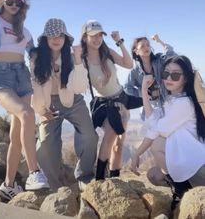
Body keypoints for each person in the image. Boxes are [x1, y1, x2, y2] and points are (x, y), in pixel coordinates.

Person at [0, 0, 49, 200]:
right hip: (0, 76)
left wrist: (50, 49)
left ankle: (9, 185)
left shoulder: (24, 30)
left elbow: (34, 54)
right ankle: (34, 172)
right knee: (27, 114)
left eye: (18, 2)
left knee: (17, 136)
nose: (13, 4)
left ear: (23, 5)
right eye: (9, 0)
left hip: (22, 77)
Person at [30, 18, 98, 191]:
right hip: (48, 103)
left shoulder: (71, 54)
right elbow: (35, 86)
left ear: (65, 38)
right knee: (45, 146)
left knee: (90, 136)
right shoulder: (36, 57)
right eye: (52, 35)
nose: (56, 38)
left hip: (73, 101)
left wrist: (77, 61)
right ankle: (55, 186)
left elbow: (80, 87)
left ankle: (84, 175)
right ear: (45, 38)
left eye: (60, 35)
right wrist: (41, 110)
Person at [131, 55, 205, 210]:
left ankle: (180, 189)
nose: (169, 78)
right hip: (187, 163)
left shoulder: (184, 103)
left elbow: (157, 130)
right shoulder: (172, 100)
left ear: (185, 79)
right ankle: (181, 187)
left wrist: (137, 153)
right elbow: (152, 119)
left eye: (176, 75)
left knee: (157, 143)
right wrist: (144, 90)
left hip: (198, 167)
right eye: (165, 74)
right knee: (153, 175)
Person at [81, 19, 142, 180]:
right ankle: (99, 178)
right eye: (92, 35)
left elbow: (128, 64)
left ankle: (115, 177)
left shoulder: (106, 51)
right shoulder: (81, 58)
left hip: (122, 100)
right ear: (85, 36)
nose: (97, 39)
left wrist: (119, 42)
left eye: (100, 35)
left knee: (119, 144)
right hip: (104, 104)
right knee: (110, 135)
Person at [125, 35, 176, 107]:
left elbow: (173, 56)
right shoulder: (135, 71)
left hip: (168, 102)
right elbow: (127, 88)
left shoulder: (159, 59)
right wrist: (144, 93)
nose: (146, 47)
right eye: (142, 46)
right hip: (150, 106)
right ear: (136, 51)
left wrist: (160, 42)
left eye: (148, 45)